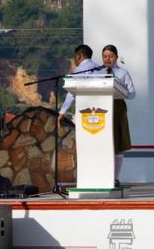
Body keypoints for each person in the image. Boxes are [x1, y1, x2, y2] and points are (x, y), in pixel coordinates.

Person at [99, 45, 135, 184]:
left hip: (117, 108)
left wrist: (121, 89)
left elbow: (132, 93)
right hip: (100, 108)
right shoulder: (97, 72)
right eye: (105, 56)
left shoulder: (123, 73)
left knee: (118, 144)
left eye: (111, 56)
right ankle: (102, 176)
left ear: (116, 57)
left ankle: (115, 178)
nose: (108, 59)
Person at [57, 44, 105, 124]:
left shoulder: (80, 69)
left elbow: (72, 92)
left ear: (79, 56)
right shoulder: (99, 68)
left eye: (74, 57)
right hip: (101, 109)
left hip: (85, 109)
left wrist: (62, 112)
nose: (74, 59)